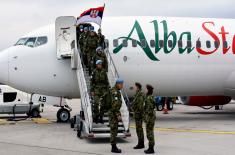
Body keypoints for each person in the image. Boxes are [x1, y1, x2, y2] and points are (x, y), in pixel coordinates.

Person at [109, 78, 124, 153]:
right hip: (113, 114)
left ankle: (113, 146)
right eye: (121, 84)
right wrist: (118, 115)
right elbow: (115, 105)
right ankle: (113, 147)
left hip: (113, 113)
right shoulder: (115, 92)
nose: (122, 86)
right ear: (118, 84)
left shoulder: (116, 90)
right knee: (114, 130)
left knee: (114, 130)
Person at [132, 82, 145, 149]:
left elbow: (140, 106)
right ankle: (140, 143)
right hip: (137, 114)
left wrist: (135, 109)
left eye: (135, 87)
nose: (134, 88)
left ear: (137, 87)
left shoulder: (140, 94)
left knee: (139, 129)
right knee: (138, 129)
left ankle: (141, 144)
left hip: (139, 115)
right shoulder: (137, 94)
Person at [144, 85, 156, 154]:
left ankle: (151, 149)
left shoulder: (149, 98)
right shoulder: (151, 97)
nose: (145, 90)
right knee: (150, 132)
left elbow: (150, 109)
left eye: (146, 89)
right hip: (151, 117)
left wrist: (147, 119)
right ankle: (150, 147)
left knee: (150, 133)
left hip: (150, 118)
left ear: (148, 90)